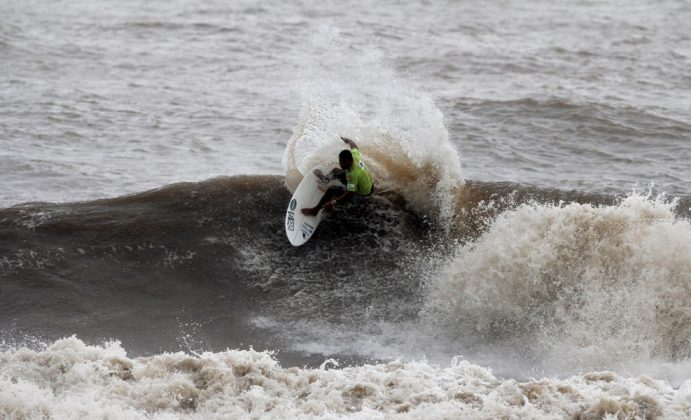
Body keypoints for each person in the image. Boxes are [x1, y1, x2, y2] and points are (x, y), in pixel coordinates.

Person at [301, 136, 374, 216]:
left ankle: (315, 211)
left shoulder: (352, 174)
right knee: (336, 171)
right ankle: (325, 180)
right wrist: (349, 141)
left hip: (362, 195)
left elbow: (350, 193)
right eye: (340, 161)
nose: (341, 164)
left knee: (332, 189)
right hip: (370, 186)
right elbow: (354, 146)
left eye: (343, 163)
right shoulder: (355, 157)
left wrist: (333, 203)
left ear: (350, 161)